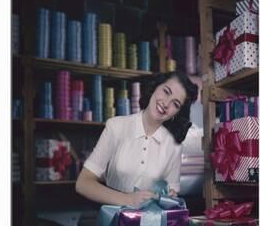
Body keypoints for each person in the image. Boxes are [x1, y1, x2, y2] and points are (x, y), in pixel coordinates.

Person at [75, 71, 199, 208]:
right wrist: (127, 199)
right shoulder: (116, 127)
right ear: (155, 87)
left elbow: (171, 193)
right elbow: (83, 183)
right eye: (166, 91)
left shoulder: (174, 146)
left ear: (177, 112)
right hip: (112, 221)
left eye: (175, 104)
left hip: (150, 225)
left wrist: (169, 196)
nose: (166, 103)